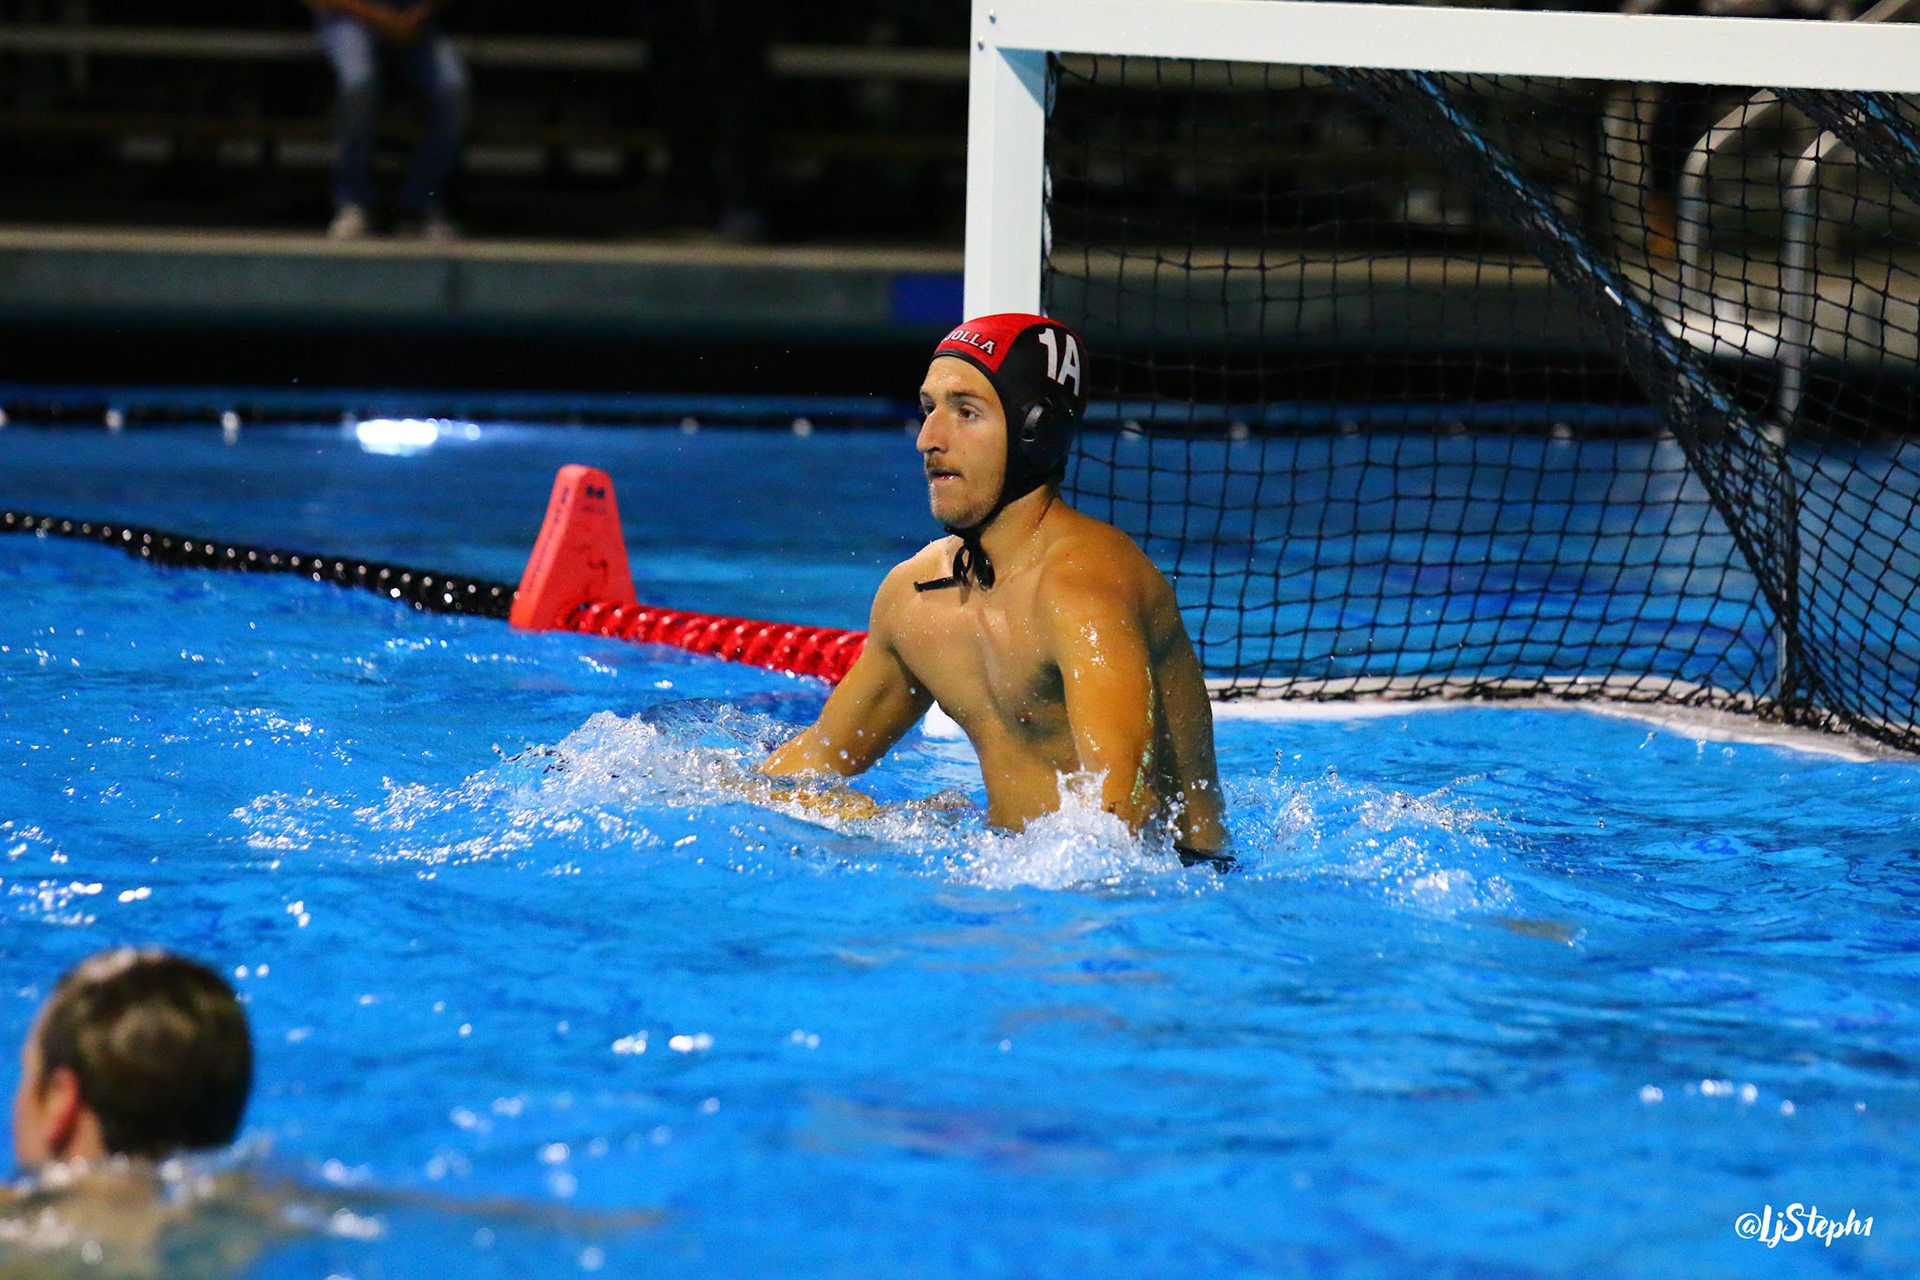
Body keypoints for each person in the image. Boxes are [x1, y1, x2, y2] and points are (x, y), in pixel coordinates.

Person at [760, 313, 1231, 868]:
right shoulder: (916, 598)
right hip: (1017, 875)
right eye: (929, 408)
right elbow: (813, 765)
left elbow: (1123, 815)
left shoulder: (1083, 590)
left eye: (966, 412)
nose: (929, 440)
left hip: (1172, 889)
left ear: (1037, 430)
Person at [303, 0, 469, 240]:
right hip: (347, 18)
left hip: (411, 21)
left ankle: (420, 205)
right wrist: (379, 18)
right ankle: (353, 203)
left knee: (452, 89)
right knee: (358, 86)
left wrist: (416, 17)